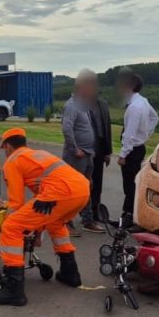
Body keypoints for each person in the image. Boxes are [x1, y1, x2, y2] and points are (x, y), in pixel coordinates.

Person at [0, 128, 90, 306]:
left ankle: (13, 290)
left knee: (12, 226)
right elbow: (38, 207)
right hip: (82, 190)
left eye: (4, 149)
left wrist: (0, 241)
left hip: (59, 193)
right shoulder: (37, 154)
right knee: (56, 223)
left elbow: (16, 204)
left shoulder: (13, 161)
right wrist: (37, 231)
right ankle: (70, 273)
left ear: (7, 146)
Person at [61, 69, 104, 233]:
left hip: (87, 154)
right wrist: (75, 149)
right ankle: (65, 222)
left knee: (86, 188)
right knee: (71, 189)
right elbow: (67, 128)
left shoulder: (83, 106)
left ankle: (87, 220)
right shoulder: (71, 106)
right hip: (76, 156)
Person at [116, 72, 158, 225]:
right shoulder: (143, 101)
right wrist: (145, 134)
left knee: (130, 185)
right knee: (133, 183)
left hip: (132, 150)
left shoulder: (134, 107)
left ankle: (128, 217)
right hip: (139, 147)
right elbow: (155, 118)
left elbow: (129, 133)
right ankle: (128, 215)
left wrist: (123, 154)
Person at [88, 74, 112, 222]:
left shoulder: (103, 104)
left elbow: (107, 128)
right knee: (86, 182)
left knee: (97, 183)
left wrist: (108, 152)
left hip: (101, 149)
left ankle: (95, 210)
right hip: (87, 151)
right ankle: (86, 212)